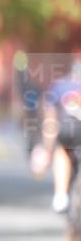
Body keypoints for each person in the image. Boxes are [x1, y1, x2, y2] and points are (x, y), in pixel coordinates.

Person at [31, 55, 81, 213]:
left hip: (66, 132)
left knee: (61, 151)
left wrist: (47, 148)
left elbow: (50, 119)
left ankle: (60, 195)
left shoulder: (59, 86)